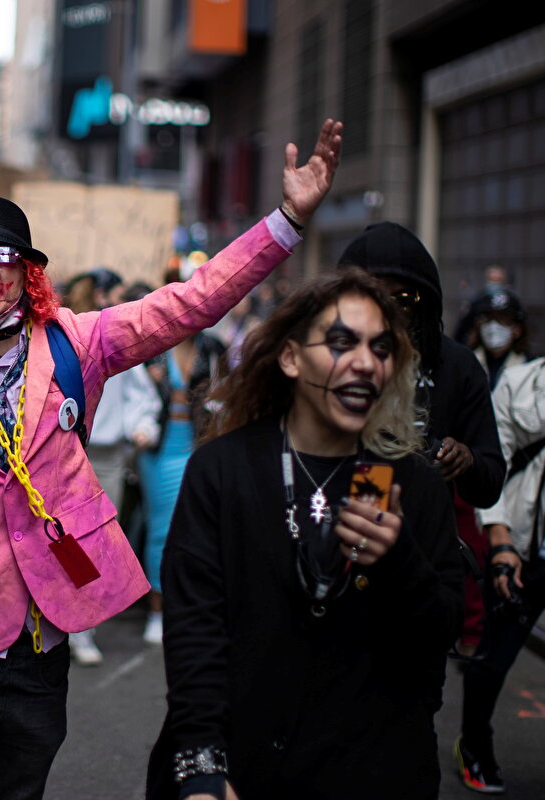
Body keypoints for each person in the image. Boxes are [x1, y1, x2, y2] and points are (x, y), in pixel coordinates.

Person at [0, 119, 343, 798]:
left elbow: (191, 303)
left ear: (27, 273)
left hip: (39, 646)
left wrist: (285, 221)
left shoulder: (82, 345)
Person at [146, 269, 464, 800]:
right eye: (342, 342)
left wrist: (400, 558)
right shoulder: (223, 469)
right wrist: (201, 766)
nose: (365, 361)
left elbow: (442, 633)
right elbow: (195, 631)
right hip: (243, 767)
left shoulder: (416, 484)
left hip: (372, 770)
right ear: (291, 358)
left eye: (381, 348)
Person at [337, 222, 505, 659]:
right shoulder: (329, 356)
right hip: (333, 546)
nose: (389, 310)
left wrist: (465, 460)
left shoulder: (458, 367)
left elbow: (490, 482)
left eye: (404, 298)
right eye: (373, 295)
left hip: (421, 561)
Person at [60, 268, 161, 665]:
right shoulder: (63, 338)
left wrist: (141, 426)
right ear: (99, 293)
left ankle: (82, 628)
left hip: (107, 459)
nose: (120, 300)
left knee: (95, 543)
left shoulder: (112, 339)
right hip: (65, 453)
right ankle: (62, 620)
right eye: (114, 292)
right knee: (62, 543)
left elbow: (143, 396)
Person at [456, 355, 545, 793]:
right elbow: (498, 457)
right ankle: (473, 745)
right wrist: (501, 542)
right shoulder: (519, 383)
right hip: (521, 550)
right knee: (495, 657)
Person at [139, 326, 225, 645]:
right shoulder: (154, 345)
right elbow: (140, 397)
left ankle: (187, 605)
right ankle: (157, 612)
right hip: (160, 447)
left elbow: (224, 392)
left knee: (197, 527)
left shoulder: (212, 346)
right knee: (162, 529)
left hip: (196, 445)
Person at [466, 288, 529, 390]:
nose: (494, 326)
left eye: (502, 320)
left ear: (517, 329)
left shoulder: (530, 369)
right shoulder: (465, 363)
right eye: (488, 319)